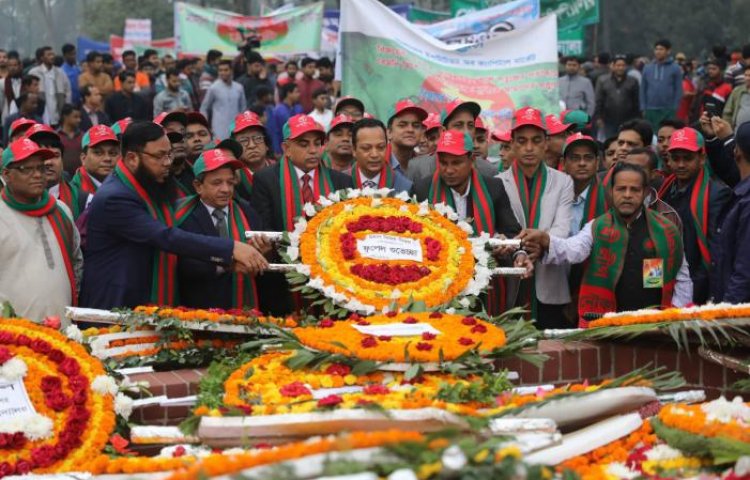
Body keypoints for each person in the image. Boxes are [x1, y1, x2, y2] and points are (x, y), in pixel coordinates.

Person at [80, 121, 267, 309]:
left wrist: (227, 264)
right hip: (115, 304)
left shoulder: (147, 185)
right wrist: (231, 247)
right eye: (160, 156)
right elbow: (165, 237)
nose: (168, 162)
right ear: (132, 159)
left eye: (169, 154)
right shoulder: (115, 198)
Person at [520, 162, 692, 327]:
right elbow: (574, 250)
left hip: (655, 325)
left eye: (634, 190)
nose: (627, 195)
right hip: (606, 324)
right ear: (611, 191)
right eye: (621, 189)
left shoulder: (664, 230)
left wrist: (676, 316)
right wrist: (545, 239)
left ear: (646, 192)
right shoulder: (597, 226)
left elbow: (681, 277)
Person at [414, 129, 528, 314]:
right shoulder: (422, 188)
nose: (449, 170)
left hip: (485, 285)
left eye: (456, 163)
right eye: (443, 163)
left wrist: (502, 241)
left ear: (471, 160)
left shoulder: (493, 187)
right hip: (438, 286)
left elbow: (512, 231)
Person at [250, 114, 350, 314]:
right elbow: (265, 228)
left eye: (317, 143)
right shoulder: (265, 180)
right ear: (286, 149)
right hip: (282, 282)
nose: (313, 150)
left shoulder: (341, 182)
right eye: (304, 144)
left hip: (331, 281)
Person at [497, 107, 574, 328]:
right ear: (511, 144)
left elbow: (562, 227)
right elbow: (496, 229)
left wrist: (542, 243)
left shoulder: (563, 182)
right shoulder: (498, 182)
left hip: (550, 281)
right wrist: (514, 246)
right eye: (521, 141)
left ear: (546, 143)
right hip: (511, 279)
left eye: (536, 140)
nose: (529, 148)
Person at [0, 138, 82, 320]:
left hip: (63, 331)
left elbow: (76, 262)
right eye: (26, 169)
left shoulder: (61, 210)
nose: (37, 174)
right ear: (6, 174)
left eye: (40, 168)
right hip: (13, 337)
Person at [176, 148, 269, 309]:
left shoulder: (247, 212)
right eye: (217, 183)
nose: (226, 189)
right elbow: (182, 264)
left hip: (245, 310)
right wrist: (226, 264)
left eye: (230, 182)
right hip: (197, 312)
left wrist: (263, 253)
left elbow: (262, 271)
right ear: (198, 186)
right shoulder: (183, 217)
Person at [658, 128, 731, 304]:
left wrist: (696, 293)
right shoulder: (663, 193)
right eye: (676, 158)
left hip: (698, 287)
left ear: (702, 158)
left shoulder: (717, 194)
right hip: (662, 281)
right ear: (668, 160)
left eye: (688, 158)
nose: (681, 164)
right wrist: (652, 287)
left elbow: (715, 252)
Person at [408, 99, 497, 181]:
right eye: (458, 125)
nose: (466, 132)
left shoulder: (489, 170)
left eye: (470, 126)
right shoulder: (416, 168)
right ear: (443, 131)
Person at [711, 122, 750, 303]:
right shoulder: (741, 194)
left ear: (736, 152)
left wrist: (726, 314)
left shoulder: (747, 202)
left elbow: (745, 269)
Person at [622, 147, 682, 231]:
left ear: (653, 174)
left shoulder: (667, 214)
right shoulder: (611, 206)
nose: (631, 172)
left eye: (638, 168)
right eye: (627, 168)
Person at [349, 117, 412, 193]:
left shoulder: (403, 186)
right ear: (354, 150)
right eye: (366, 148)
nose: (374, 154)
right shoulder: (341, 181)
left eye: (381, 147)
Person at [562, 133, 607, 237]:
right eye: (575, 158)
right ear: (564, 163)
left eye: (588, 158)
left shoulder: (608, 197)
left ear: (597, 163)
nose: (582, 163)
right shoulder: (552, 196)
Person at [229, 110, 273, 201]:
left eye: (257, 138)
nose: (252, 145)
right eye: (244, 140)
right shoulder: (233, 179)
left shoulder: (280, 170)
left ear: (266, 145)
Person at [70, 124, 119, 204]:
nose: (107, 158)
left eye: (112, 153)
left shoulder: (128, 187)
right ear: (83, 158)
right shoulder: (72, 194)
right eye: (98, 153)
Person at [595, 54, 641, 138]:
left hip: (628, 118)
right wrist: (598, 117)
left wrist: (637, 118)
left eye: (623, 65)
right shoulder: (603, 80)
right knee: (610, 140)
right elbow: (599, 100)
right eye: (618, 65)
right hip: (608, 118)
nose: (620, 68)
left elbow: (636, 101)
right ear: (613, 66)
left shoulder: (632, 81)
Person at [640, 39, 683, 129]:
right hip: (650, 108)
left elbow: (678, 90)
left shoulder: (675, 68)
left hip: (668, 109)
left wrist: (675, 107)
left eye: (661, 49)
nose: (658, 52)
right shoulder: (647, 68)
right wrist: (643, 107)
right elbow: (643, 89)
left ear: (668, 51)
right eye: (656, 49)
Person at [200, 60, 246, 140]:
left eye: (226, 70)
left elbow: (243, 108)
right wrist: (205, 126)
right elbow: (204, 108)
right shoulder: (213, 88)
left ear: (231, 71)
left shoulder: (239, 88)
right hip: (218, 130)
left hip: (236, 128)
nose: (223, 73)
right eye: (220, 70)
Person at [28, 46, 71, 126]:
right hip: (40, 114)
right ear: (42, 58)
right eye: (49, 55)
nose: (52, 57)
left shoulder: (60, 73)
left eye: (53, 54)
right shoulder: (34, 72)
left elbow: (68, 91)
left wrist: (67, 108)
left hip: (58, 115)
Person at [268, 82, 303, 155]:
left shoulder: (299, 108)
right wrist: (277, 150)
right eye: (296, 92)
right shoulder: (277, 111)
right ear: (288, 93)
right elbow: (274, 132)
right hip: (283, 149)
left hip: (298, 147)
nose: (299, 94)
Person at [57, 104, 83, 175]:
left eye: (79, 117)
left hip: (80, 177)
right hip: (62, 177)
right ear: (65, 117)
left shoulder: (83, 136)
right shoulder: (56, 136)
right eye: (75, 117)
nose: (79, 120)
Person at [1, 52, 22, 120]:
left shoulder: (25, 81)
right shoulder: (2, 82)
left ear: (19, 66)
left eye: (15, 65)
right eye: (10, 65)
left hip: (23, 116)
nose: (13, 68)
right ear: (7, 67)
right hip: (7, 115)